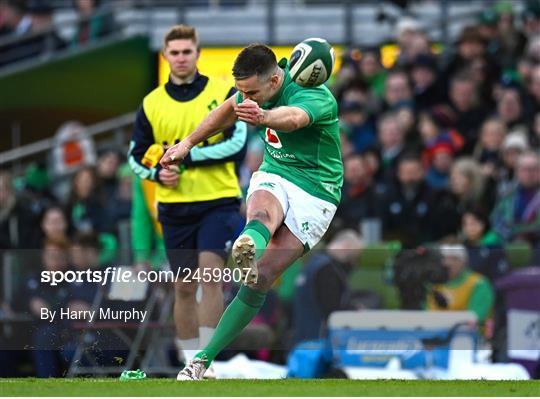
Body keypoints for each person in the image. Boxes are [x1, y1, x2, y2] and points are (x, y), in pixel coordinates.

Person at [160, 43, 342, 380]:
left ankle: (204, 355)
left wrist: (265, 116)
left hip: (316, 191)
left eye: (252, 93)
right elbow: (226, 111)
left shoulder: (315, 96)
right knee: (260, 217)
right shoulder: (256, 88)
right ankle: (247, 247)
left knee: (261, 278)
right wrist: (186, 144)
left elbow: (294, 119)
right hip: (277, 172)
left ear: (274, 82)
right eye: (243, 92)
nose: (246, 99)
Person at [127, 25, 247, 373]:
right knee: (183, 286)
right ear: (165, 56)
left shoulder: (223, 93)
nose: (181, 58)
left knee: (211, 277)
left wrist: (185, 155)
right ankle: (189, 360)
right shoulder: (152, 104)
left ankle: (205, 362)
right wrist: (157, 173)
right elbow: (136, 156)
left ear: (197, 53)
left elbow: (236, 144)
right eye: (174, 52)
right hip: (175, 206)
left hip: (218, 200)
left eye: (186, 51)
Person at [426, 244, 495, 326]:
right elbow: (427, 315)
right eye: (444, 258)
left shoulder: (479, 284)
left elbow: (475, 317)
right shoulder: (433, 285)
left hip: (469, 336)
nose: (448, 263)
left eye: (454, 259)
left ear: (464, 262)